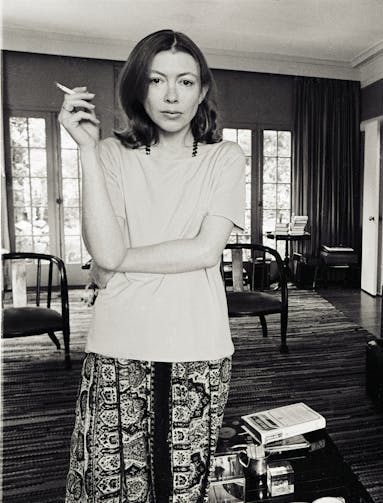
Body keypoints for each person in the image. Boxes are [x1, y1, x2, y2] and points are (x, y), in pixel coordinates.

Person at [58, 29, 246, 503]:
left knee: (182, 489)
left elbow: (205, 250)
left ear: (202, 91)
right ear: (139, 87)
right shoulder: (109, 154)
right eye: (157, 80)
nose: (170, 95)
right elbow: (103, 248)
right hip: (120, 339)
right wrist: (85, 149)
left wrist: (119, 262)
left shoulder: (225, 157)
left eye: (185, 82)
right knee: (108, 487)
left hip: (198, 340)